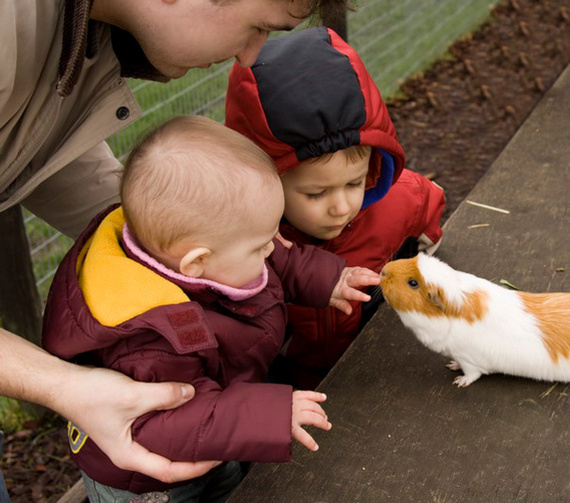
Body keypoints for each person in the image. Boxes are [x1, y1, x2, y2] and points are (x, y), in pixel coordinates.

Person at [1, 0, 341, 487]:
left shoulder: (81, 31)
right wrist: (61, 387)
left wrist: (174, 228)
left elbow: (31, 144)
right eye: (258, 27)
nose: (250, 56)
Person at [41, 115, 380, 501]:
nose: (274, 247)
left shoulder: (206, 249)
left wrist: (328, 279)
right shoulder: (149, 340)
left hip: (219, 427)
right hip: (153, 475)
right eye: (261, 245)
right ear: (195, 265)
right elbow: (169, 422)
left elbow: (277, 263)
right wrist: (268, 417)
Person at [225, 26, 446, 388]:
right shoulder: (248, 247)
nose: (342, 206)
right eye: (316, 194)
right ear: (266, 183)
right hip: (292, 385)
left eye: (355, 183)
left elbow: (427, 210)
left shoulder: (399, 198)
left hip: (374, 370)